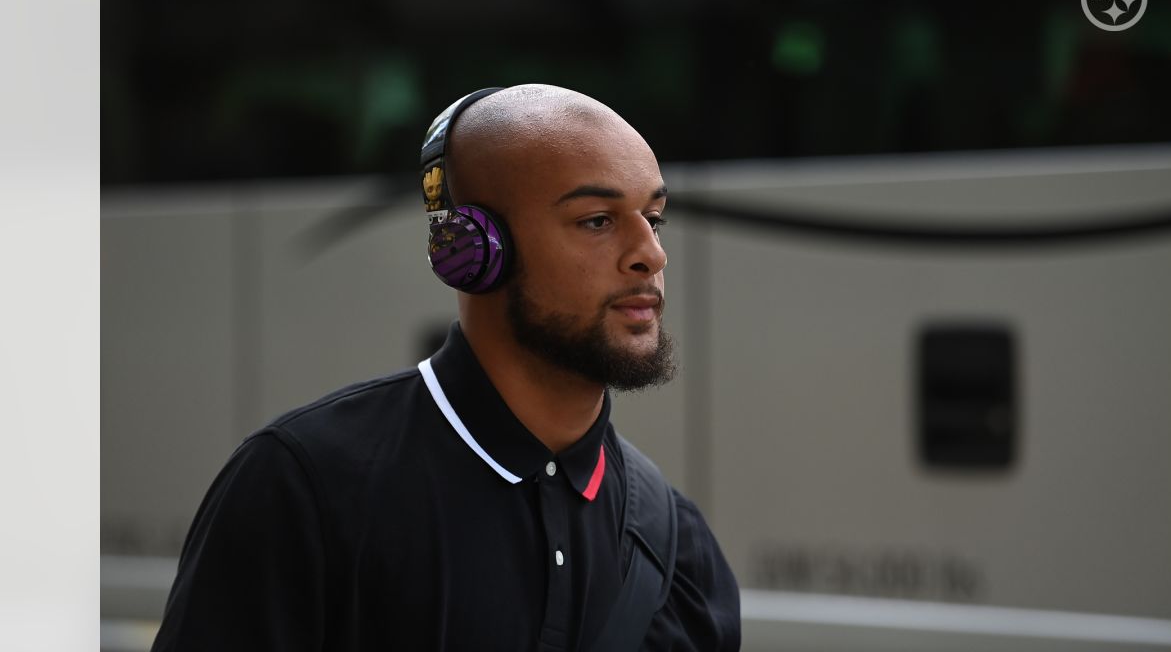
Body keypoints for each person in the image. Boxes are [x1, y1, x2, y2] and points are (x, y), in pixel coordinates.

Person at [151, 84, 741, 651]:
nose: (652, 254)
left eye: (654, 219)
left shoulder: (678, 545)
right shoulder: (302, 486)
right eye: (597, 220)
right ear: (473, 250)